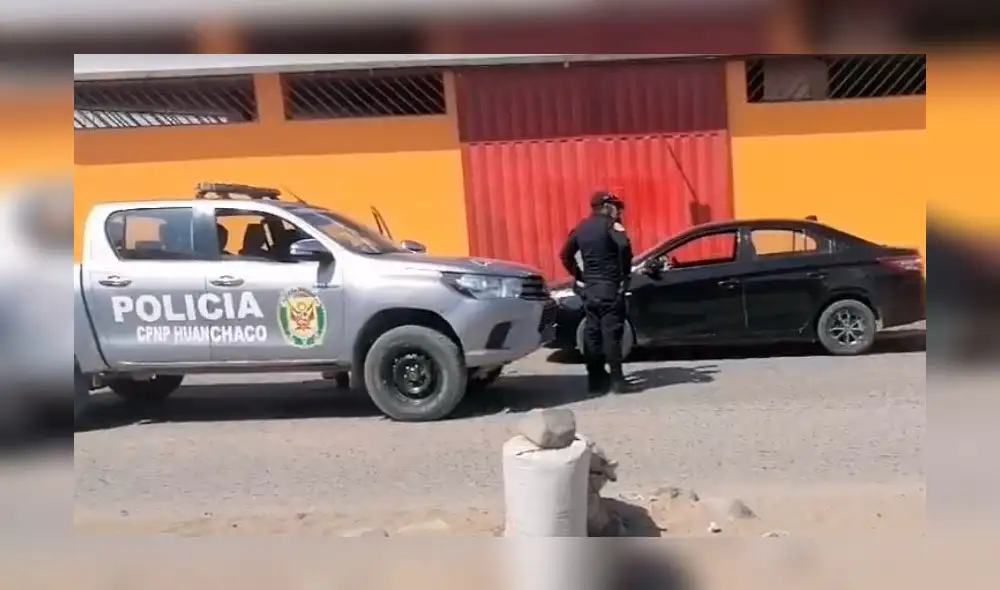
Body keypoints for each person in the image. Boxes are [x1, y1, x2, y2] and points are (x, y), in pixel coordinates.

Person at [560, 191, 634, 394]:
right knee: (611, 332)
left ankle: (595, 380)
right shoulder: (610, 225)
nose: (618, 212)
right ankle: (618, 380)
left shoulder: (581, 228)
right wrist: (624, 273)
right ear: (607, 206)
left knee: (592, 333)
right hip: (610, 287)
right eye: (616, 208)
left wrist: (579, 275)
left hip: (590, 290)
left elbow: (564, 255)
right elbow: (624, 246)